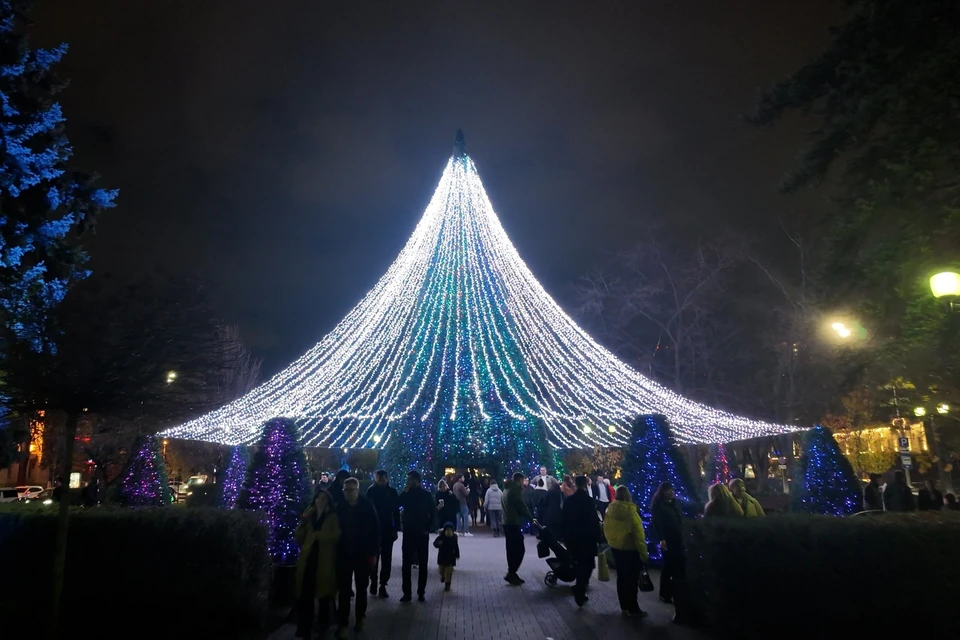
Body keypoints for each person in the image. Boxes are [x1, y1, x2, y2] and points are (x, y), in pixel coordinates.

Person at [335, 478, 380, 637]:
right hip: (344, 554)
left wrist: (373, 553)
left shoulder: (367, 507)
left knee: (361, 588)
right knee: (344, 590)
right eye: (345, 490)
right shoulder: (340, 507)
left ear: (357, 490)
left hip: (362, 554)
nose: (348, 493)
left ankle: (360, 617)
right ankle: (343, 623)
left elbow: (375, 531)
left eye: (351, 490)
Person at [294, 489, 340, 639]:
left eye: (324, 498)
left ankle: (323, 626)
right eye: (319, 498)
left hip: (324, 559)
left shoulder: (332, 516)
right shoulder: (309, 513)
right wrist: (302, 524)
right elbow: (299, 537)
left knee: (324, 595)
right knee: (305, 595)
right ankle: (304, 628)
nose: (321, 500)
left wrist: (322, 536)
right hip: (308, 558)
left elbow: (337, 535)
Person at [603, 485, 649, 617]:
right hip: (630, 550)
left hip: (616, 549)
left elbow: (606, 528)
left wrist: (612, 542)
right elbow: (639, 536)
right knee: (632, 580)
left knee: (622, 578)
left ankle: (624, 605)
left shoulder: (610, 510)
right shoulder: (631, 513)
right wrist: (644, 554)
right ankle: (633, 608)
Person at [562, 475, 601, 607]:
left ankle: (580, 587)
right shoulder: (588, 501)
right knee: (588, 565)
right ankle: (580, 588)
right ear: (585, 484)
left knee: (578, 564)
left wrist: (565, 537)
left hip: (573, 539)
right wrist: (598, 537)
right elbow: (594, 520)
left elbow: (564, 519)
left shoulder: (569, 501)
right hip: (587, 539)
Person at [398, 470, 436, 603]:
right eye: (407, 480)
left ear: (416, 480)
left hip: (421, 532)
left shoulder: (426, 494)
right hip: (408, 531)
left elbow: (433, 512)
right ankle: (406, 592)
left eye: (410, 480)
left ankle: (421, 591)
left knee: (423, 563)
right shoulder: (407, 493)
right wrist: (404, 493)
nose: (408, 482)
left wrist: (428, 528)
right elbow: (397, 504)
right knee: (406, 563)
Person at [365, 469, 401, 598]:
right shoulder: (371, 491)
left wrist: (396, 528)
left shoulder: (392, 492)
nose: (382, 480)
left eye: (384, 477)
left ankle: (383, 584)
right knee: (373, 556)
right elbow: (367, 510)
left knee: (386, 558)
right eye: (380, 477)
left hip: (387, 529)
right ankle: (373, 580)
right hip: (374, 529)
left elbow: (396, 511)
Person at [503, 472, 532, 585]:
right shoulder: (515, 490)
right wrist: (531, 517)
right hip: (513, 522)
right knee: (519, 549)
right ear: (519, 480)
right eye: (522, 481)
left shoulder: (506, 489)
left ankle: (511, 572)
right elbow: (521, 505)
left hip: (506, 522)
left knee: (511, 549)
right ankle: (512, 572)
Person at [432, 522, 461, 591]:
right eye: (447, 530)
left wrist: (457, 554)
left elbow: (456, 547)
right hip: (442, 557)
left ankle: (447, 583)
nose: (448, 532)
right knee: (441, 570)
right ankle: (443, 576)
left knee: (448, 571)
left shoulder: (454, 538)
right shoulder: (441, 537)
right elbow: (435, 543)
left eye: (450, 530)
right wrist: (438, 543)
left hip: (450, 557)